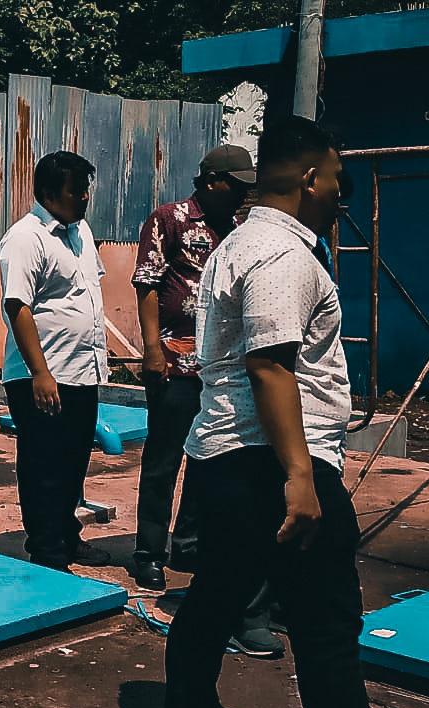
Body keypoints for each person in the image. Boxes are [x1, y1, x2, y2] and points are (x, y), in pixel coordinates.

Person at [163, 116, 376, 708]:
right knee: (327, 621)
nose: (340, 193)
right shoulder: (282, 253)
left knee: (216, 597)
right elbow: (271, 368)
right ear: (311, 178)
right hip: (274, 464)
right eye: (335, 179)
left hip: (231, 459)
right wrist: (302, 480)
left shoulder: (238, 241)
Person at [131, 145, 283, 657]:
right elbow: (148, 285)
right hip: (174, 361)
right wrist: (151, 349)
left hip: (220, 373)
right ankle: (148, 550)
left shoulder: (240, 232)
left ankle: (188, 544)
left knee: (207, 459)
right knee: (163, 459)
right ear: (213, 180)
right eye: (236, 185)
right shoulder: (169, 219)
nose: (243, 195)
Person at [0, 150, 112, 574]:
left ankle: (67, 534)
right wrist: (40, 373)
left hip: (82, 371)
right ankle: (47, 551)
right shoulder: (26, 238)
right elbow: (18, 306)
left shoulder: (80, 233)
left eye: (86, 190)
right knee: (44, 464)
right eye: (75, 190)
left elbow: (84, 294)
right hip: (43, 376)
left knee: (74, 462)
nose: (84, 198)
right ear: (48, 193)